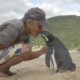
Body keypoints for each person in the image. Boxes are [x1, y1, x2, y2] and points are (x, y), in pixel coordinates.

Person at [0, 7, 49, 76]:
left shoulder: (26, 34)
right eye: (39, 26)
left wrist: (42, 51)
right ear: (29, 23)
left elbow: (26, 55)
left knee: (26, 48)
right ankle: (1, 69)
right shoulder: (16, 26)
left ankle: (4, 69)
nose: (41, 30)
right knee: (25, 48)